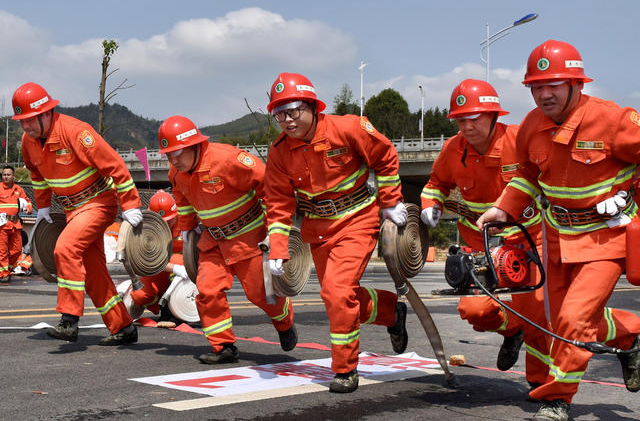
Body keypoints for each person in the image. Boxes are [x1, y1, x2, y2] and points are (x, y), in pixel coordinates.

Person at [477, 40, 640, 421]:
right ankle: (629, 334)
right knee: (557, 321)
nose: (544, 94)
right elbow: (527, 178)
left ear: (577, 84)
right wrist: (502, 208)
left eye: (554, 85)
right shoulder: (531, 126)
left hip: (606, 238)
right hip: (555, 237)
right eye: (537, 86)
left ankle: (558, 398)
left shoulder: (615, 120)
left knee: (572, 320)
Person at [263, 72, 409, 393]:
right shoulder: (279, 152)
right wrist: (277, 247)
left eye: (293, 110)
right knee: (337, 295)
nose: (286, 120)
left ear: (313, 106)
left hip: (358, 219)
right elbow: (277, 202)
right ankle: (391, 312)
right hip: (317, 229)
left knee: (337, 290)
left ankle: (345, 369)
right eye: (279, 114)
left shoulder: (348, 128)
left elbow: (384, 158)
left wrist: (391, 201)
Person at [420, 79, 551, 391]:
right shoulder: (453, 150)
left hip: (527, 239)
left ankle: (540, 382)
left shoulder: (520, 140)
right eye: (461, 120)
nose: (467, 126)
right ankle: (511, 330)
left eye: (475, 118)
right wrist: (430, 205)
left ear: (494, 116)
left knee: (537, 314)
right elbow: (435, 182)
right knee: (475, 310)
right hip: (478, 245)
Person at [157, 115, 297, 364]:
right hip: (213, 241)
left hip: (249, 238)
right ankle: (224, 347)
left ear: (194, 145)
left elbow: (271, 185)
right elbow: (183, 199)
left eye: (177, 153)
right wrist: (187, 229)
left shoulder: (229, 160)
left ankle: (284, 321)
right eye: (168, 155)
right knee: (207, 291)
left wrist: (274, 228)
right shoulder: (176, 172)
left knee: (261, 295)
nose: (173, 160)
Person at [13, 82, 143, 345]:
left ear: (47, 112)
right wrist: (44, 206)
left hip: (98, 203)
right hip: (72, 210)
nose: (26, 126)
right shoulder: (29, 142)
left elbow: (116, 167)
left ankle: (69, 320)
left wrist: (130, 204)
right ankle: (123, 327)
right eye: (21, 121)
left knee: (65, 249)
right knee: (94, 274)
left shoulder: (76, 132)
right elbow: (37, 176)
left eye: (30, 119)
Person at [129, 189, 188, 328]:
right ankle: (160, 304)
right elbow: (146, 259)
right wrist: (174, 268)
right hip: (161, 268)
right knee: (140, 296)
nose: (166, 224)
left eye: (169, 220)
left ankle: (172, 312)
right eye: (162, 221)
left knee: (178, 260)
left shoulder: (186, 222)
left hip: (186, 271)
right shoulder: (147, 228)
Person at [0, 165, 32, 283]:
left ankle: (8, 270)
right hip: (2, 225)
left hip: (15, 224)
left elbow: (28, 201)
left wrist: (29, 208)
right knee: (2, 251)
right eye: (4, 175)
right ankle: (3, 274)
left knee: (17, 250)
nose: (6, 177)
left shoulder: (18, 189)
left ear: (13, 176)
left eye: (8, 175)